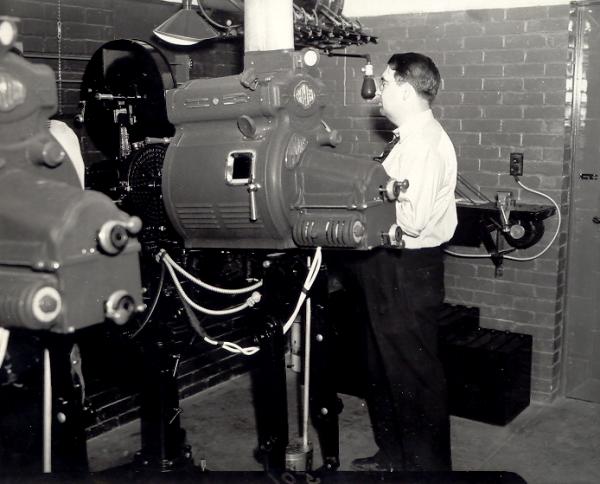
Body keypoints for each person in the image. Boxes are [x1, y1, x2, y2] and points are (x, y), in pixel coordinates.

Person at [345, 52, 457, 472]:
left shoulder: (425, 144)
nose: (379, 93)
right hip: (387, 267)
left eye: (387, 84)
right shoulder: (408, 138)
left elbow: (412, 220)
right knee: (382, 368)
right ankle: (393, 457)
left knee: (414, 375)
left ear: (407, 91)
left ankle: (426, 472)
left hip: (408, 269)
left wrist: (364, 199)